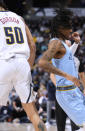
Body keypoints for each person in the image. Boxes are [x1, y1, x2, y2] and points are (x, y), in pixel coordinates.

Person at [38, 8, 85, 131]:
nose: (71, 30)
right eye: (68, 27)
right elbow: (42, 62)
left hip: (75, 91)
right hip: (66, 92)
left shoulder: (63, 44)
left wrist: (76, 43)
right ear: (59, 28)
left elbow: (67, 55)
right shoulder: (55, 43)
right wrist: (67, 76)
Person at [0, 1, 46, 131]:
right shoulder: (19, 18)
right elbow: (32, 45)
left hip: (4, 61)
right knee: (32, 112)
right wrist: (28, 68)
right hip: (22, 63)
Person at [50, 39, 85, 131]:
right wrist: (60, 87)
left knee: (75, 122)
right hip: (61, 92)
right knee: (60, 121)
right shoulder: (57, 59)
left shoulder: (77, 60)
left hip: (74, 92)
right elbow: (52, 75)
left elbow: (82, 75)